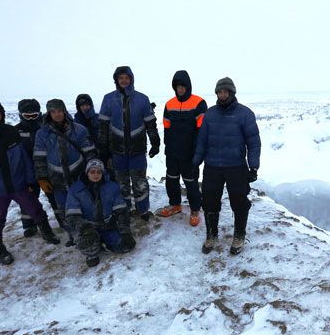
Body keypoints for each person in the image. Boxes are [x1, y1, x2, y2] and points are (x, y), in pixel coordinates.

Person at [0, 98, 60, 265]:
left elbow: (24, 159)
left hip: (18, 183)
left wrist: (30, 179)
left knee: (35, 208)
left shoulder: (11, 132)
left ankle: (46, 231)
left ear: (2, 115)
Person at [193, 77, 261, 255]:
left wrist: (253, 167)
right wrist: (195, 163)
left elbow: (253, 142)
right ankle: (211, 235)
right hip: (212, 166)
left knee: (239, 202)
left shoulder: (245, 114)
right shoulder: (210, 114)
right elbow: (202, 141)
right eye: (219, 92)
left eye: (225, 91)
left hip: (236, 166)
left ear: (232, 92)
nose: (222, 95)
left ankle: (239, 235)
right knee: (209, 201)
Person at [97, 66, 160, 221]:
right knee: (121, 184)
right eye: (121, 78)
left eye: (127, 78)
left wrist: (155, 142)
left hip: (137, 150)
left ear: (131, 79)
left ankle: (143, 210)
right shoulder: (108, 99)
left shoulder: (142, 99)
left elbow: (151, 124)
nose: (124, 80)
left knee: (140, 183)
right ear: (116, 80)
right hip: (117, 151)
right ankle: (123, 209)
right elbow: (103, 126)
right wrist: (103, 148)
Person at [34, 99, 97, 246]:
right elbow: (39, 158)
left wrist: (92, 172)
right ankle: (73, 235)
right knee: (63, 210)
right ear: (49, 113)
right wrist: (42, 177)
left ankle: (91, 232)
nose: (57, 114)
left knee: (85, 205)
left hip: (79, 176)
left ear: (64, 111)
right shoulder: (42, 134)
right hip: (57, 180)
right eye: (53, 112)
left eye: (59, 111)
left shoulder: (79, 130)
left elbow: (90, 152)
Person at [156, 70, 207, 226]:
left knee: (190, 181)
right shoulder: (169, 104)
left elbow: (201, 130)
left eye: (183, 86)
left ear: (188, 86)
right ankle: (175, 205)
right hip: (172, 152)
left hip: (190, 152)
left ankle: (195, 210)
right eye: (178, 86)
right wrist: (167, 147)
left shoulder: (199, 103)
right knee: (171, 180)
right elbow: (167, 127)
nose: (181, 89)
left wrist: (196, 152)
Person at [65, 159, 136, 267]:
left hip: (107, 224)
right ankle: (92, 251)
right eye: (92, 172)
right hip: (87, 228)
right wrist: (85, 228)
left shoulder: (112, 187)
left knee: (125, 247)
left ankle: (105, 242)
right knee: (88, 243)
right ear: (87, 172)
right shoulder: (75, 190)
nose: (96, 175)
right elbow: (72, 216)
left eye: (99, 172)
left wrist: (125, 232)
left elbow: (121, 211)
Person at [15, 98, 65, 237]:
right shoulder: (16, 131)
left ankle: (63, 220)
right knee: (29, 200)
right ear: (20, 114)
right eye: (27, 116)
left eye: (34, 115)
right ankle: (29, 225)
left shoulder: (46, 128)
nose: (31, 119)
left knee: (54, 197)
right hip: (27, 172)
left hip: (48, 169)